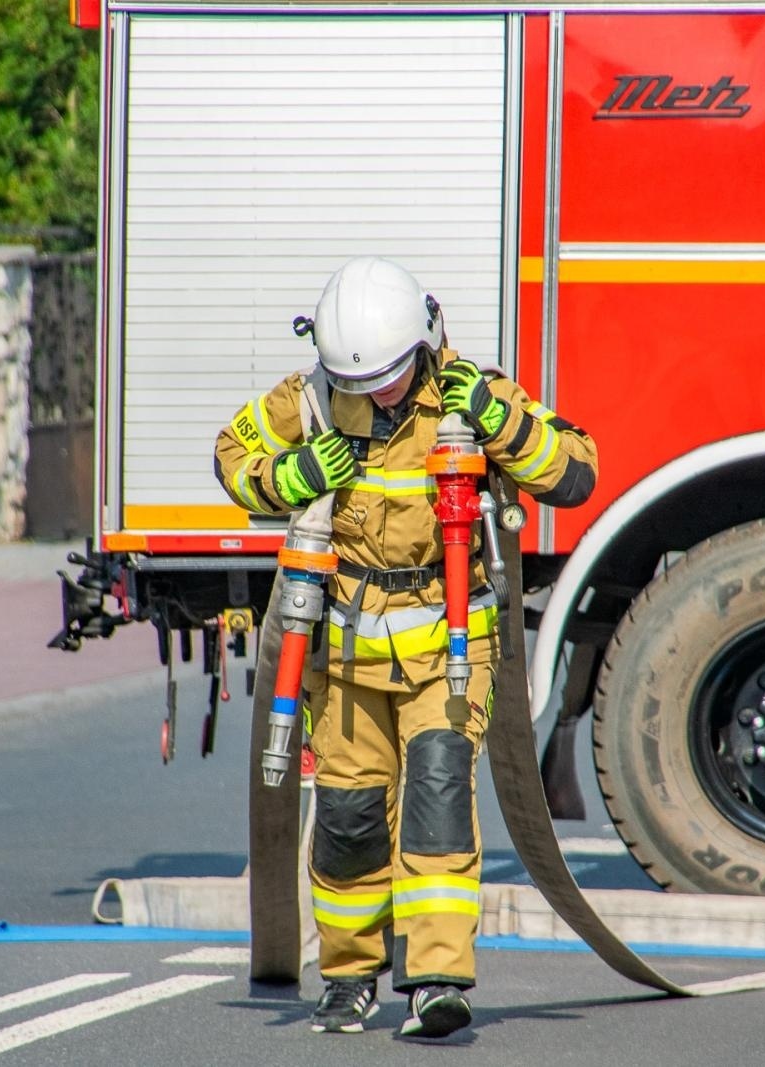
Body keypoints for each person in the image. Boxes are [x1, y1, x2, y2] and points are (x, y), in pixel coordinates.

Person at [215, 256, 597, 1038]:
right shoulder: (313, 395)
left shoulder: (470, 390)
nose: (376, 393)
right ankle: (350, 976)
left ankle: (436, 980)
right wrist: (287, 475)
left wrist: (497, 420)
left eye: (388, 377)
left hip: (447, 646)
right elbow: (231, 454)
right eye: (360, 382)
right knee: (349, 818)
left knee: (437, 801)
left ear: (420, 342)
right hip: (345, 647)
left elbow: (576, 470)